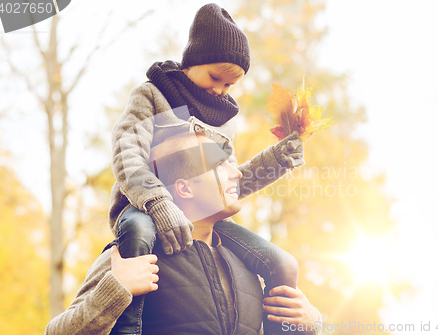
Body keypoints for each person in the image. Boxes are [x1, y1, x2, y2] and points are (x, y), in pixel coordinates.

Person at [110, 3, 305, 334]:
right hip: (143, 205)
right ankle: (128, 326)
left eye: (229, 86)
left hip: (198, 212)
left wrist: (275, 160)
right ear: (192, 63)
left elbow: (223, 180)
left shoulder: (224, 122)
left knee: (282, 262)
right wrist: (158, 203)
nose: (219, 89)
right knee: (139, 234)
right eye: (215, 77)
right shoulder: (153, 96)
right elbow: (127, 152)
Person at [45, 133, 321, 335]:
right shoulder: (132, 258)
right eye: (220, 165)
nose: (236, 173)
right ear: (185, 188)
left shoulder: (248, 265)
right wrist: (115, 290)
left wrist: (312, 325)